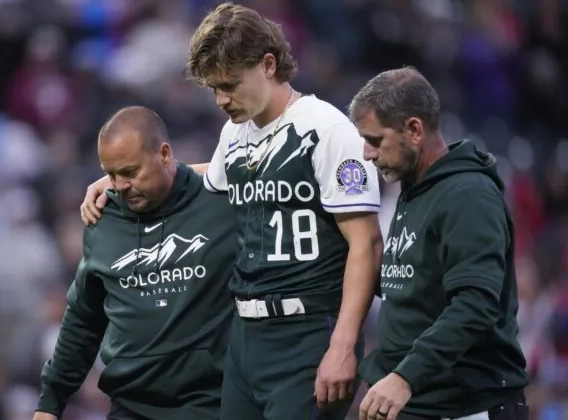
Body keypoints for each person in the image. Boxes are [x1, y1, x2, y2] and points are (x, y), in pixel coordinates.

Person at [80, 3, 384, 419]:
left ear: (268, 64)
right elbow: (211, 177)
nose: (221, 98)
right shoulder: (235, 132)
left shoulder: (327, 130)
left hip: (307, 329)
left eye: (229, 84)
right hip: (245, 336)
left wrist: (344, 346)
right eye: (213, 88)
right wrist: (126, 177)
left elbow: (366, 243)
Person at [348, 66, 529, 420]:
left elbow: (475, 304)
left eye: (375, 140)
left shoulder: (467, 196)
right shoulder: (415, 189)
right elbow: (412, 296)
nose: (367, 153)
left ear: (414, 130)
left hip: (469, 406)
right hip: (418, 402)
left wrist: (405, 376)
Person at [34, 106, 236, 420]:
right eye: (111, 173)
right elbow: (83, 320)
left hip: (214, 405)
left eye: (130, 172)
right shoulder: (102, 218)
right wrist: (50, 403)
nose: (119, 185)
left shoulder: (222, 202)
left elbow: (268, 170)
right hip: (130, 408)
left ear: (165, 154)